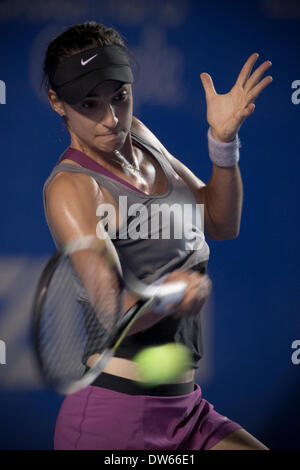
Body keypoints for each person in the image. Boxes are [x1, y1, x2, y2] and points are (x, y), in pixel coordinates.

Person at [41, 21, 272, 450]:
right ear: (58, 102)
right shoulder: (71, 187)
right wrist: (172, 295)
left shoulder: (142, 138)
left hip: (187, 409)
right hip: (112, 418)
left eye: (120, 98)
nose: (111, 119)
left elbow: (220, 222)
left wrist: (223, 142)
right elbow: (112, 311)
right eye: (90, 104)